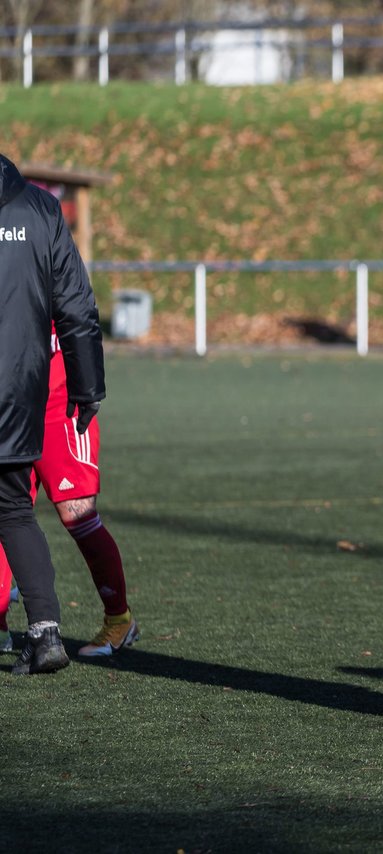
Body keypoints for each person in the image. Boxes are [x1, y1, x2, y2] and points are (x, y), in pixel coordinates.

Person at [0, 153, 106, 676]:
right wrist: (89, 388)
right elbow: (77, 306)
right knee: (15, 510)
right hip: (22, 389)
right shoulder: (41, 210)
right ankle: (44, 634)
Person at [0, 324, 136, 658]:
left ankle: (119, 619)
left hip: (59, 404)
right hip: (11, 403)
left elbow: (80, 314)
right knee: (4, 509)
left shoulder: (55, 269)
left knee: (78, 514)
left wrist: (88, 388)